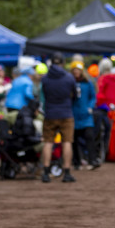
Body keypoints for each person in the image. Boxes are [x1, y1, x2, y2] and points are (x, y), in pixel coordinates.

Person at [40, 52, 77, 183]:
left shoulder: (45, 78)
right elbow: (75, 95)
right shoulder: (69, 78)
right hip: (66, 113)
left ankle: (45, 171)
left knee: (48, 142)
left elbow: (43, 94)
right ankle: (66, 172)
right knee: (67, 142)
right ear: (62, 63)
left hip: (50, 113)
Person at [71, 61, 99, 170]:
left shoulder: (87, 83)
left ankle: (92, 160)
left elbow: (93, 97)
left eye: (78, 70)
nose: (76, 72)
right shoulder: (70, 83)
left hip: (86, 115)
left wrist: (90, 107)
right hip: (74, 115)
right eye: (74, 70)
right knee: (74, 140)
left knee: (89, 137)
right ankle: (76, 162)